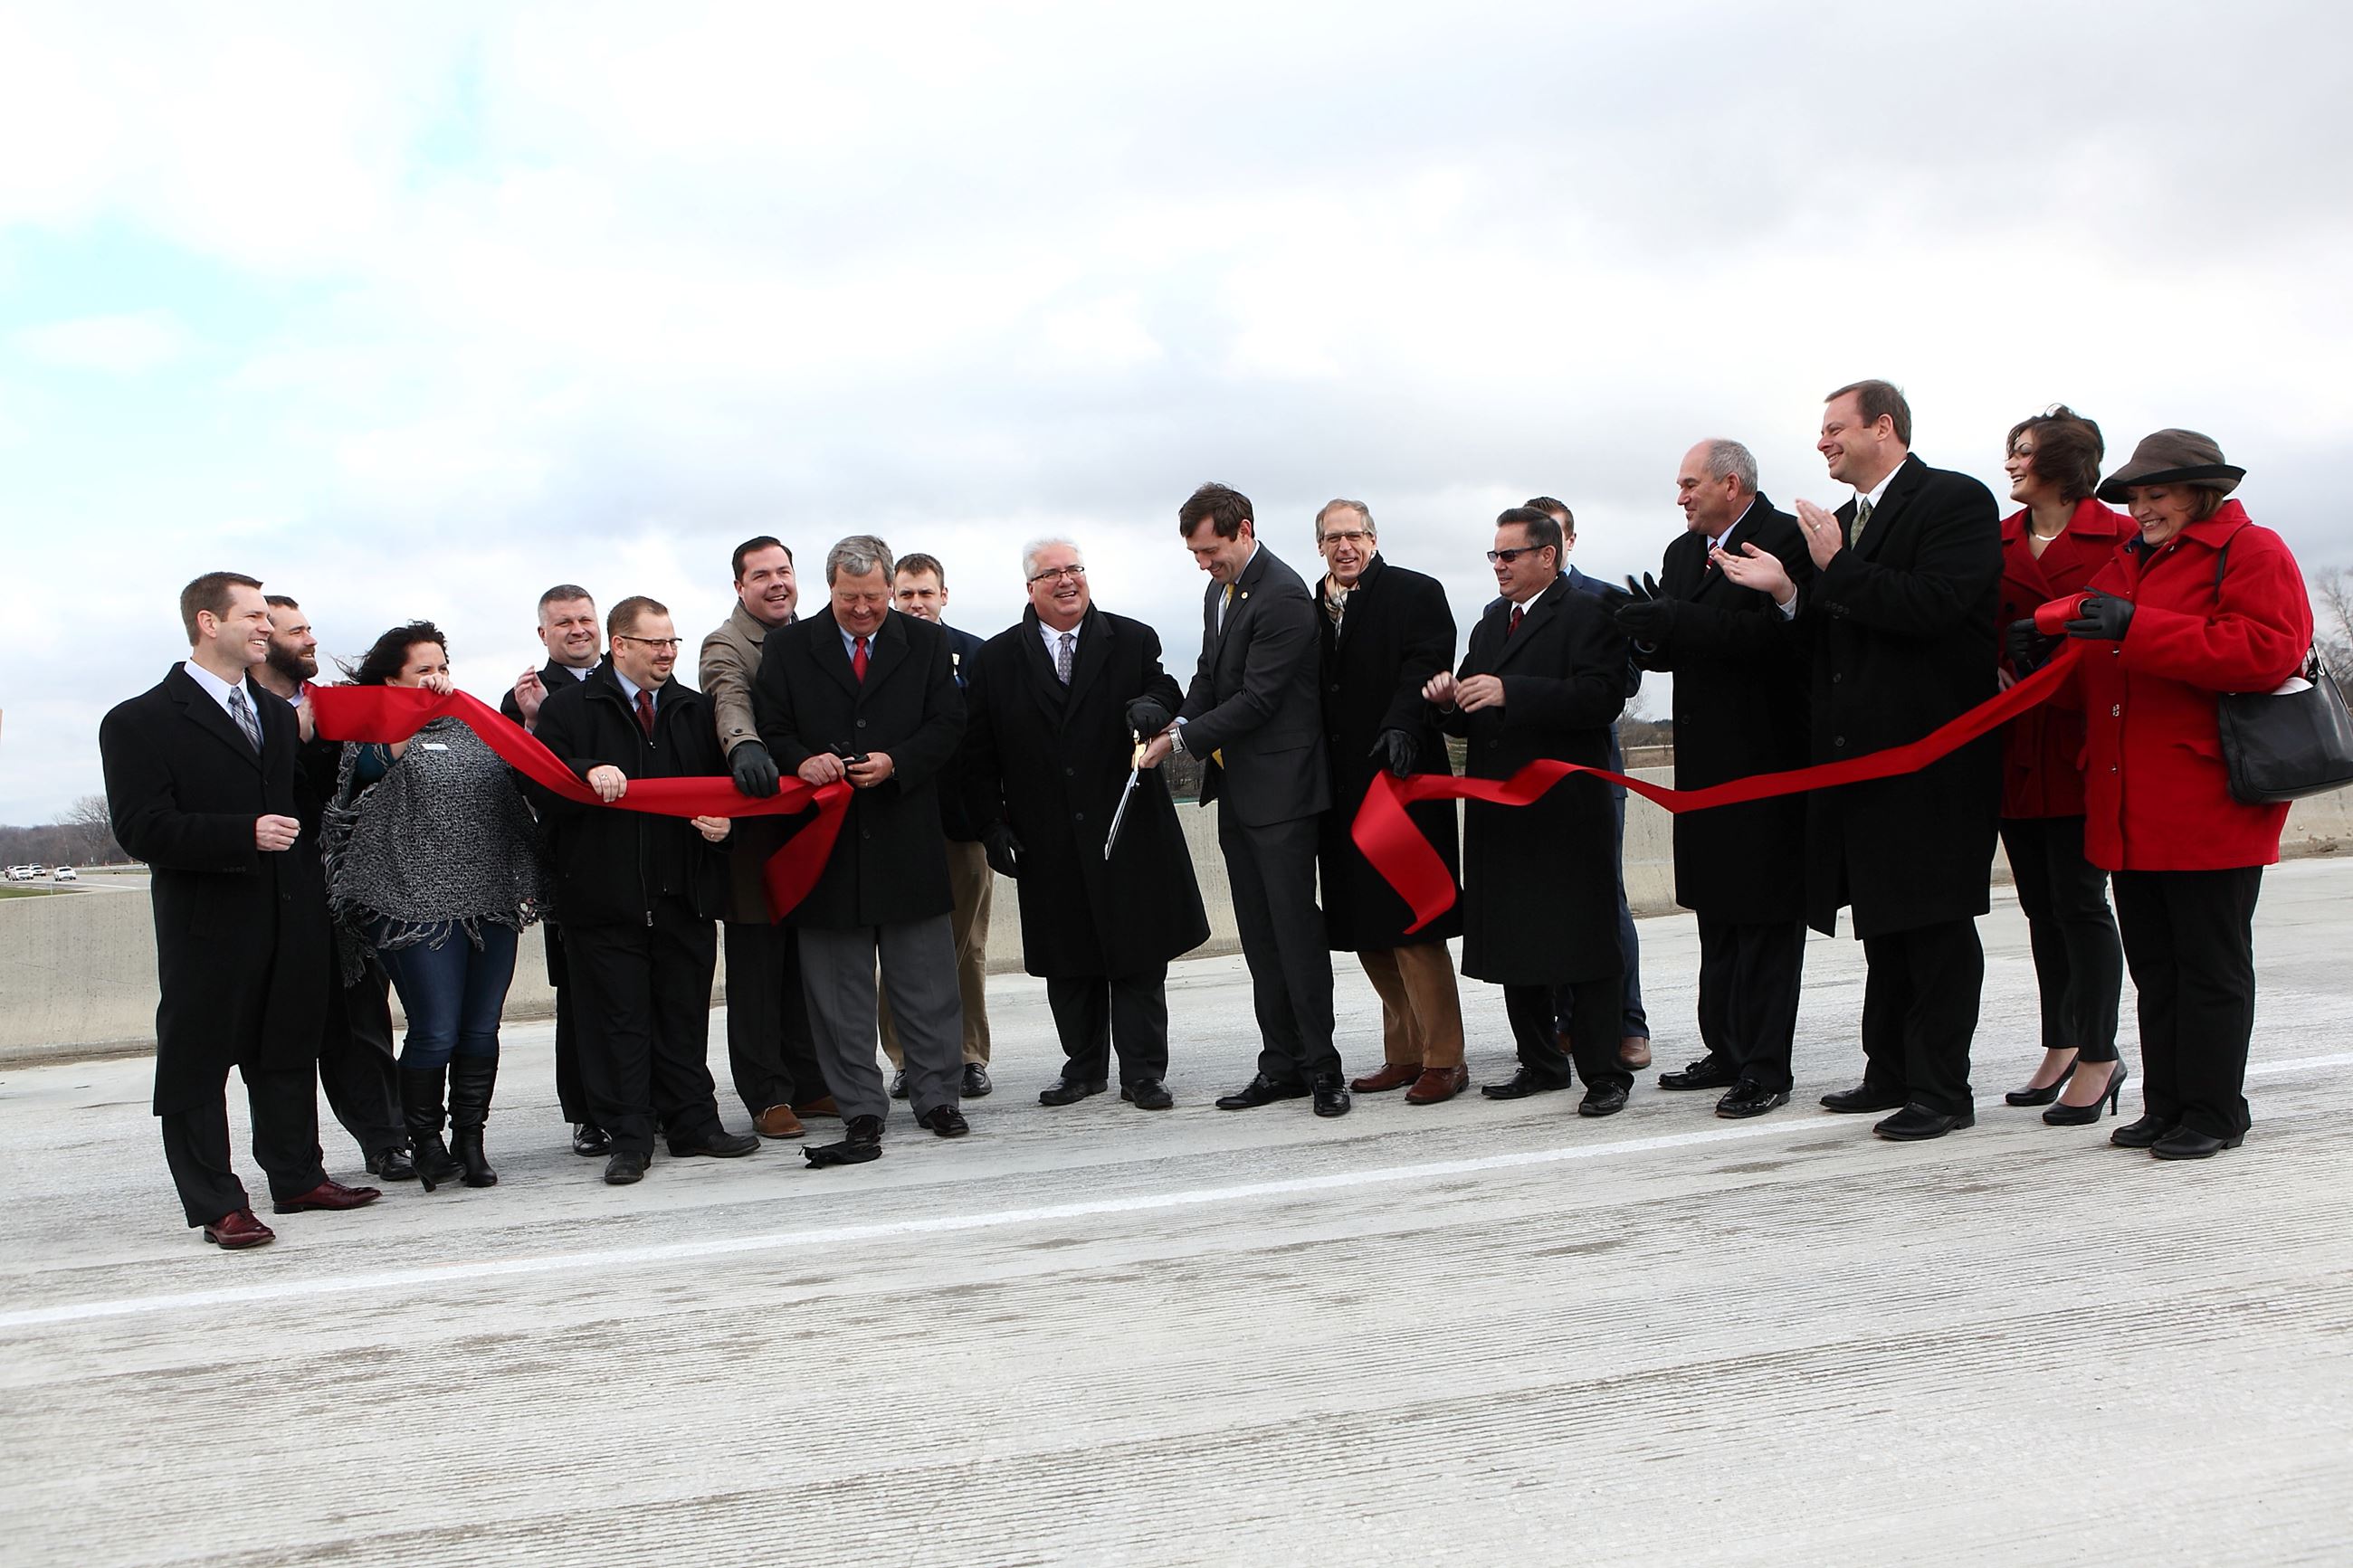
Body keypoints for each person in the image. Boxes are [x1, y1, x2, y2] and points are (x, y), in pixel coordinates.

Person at [1713, 379, 2004, 1141]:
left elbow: (1934, 607)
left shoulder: (1956, 502)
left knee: (1934, 926)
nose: (1822, 442)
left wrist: (1835, 570)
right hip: (1860, 765)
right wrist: (1786, 594)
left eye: (1835, 428)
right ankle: (1891, 1072)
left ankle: (1943, 1090)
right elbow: (1826, 641)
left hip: (1934, 761)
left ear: (1884, 427)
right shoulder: (1839, 525)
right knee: (1884, 922)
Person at [2016, 431, 2311, 1160]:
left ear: (2200, 493)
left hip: (2208, 798)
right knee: (2156, 964)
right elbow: (2100, 678)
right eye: (2136, 498)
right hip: (2129, 800)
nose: (2142, 509)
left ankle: (2215, 1110)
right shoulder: (2129, 562)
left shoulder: (2253, 550)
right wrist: (2043, 664)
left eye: (2157, 495)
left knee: (2209, 964)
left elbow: (2265, 650)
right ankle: (2167, 1103)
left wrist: (2136, 626)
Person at [99, 572, 380, 1248]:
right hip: (207, 923)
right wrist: (241, 833)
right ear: (207, 621)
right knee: (197, 1064)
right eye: (254, 616)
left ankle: (297, 1177)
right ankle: (216, 1202)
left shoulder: (279, 716)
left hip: (289, 914)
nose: (266, 627)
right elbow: (140, 829)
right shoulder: (139, 720)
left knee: (285, 1049)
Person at [962, 537, 1210, 1107]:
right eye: (1052, 574)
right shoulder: (996, 660)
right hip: (1045, 836)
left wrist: (1153, 706)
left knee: (1137, 958)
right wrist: (992, 828)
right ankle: (1083, 1067)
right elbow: (978, 758)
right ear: (1030, 588)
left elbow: (1163, 686)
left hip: (1126, 829)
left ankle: (1144, 1072)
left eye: (1075, 569)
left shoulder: (1131, 638)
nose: (1067, 580)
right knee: (1068, 961)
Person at [527, 595, 758, 1184]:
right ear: (620, 645)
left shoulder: (691, 709)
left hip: (683, 894)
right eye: (655, 643)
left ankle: (694, 1124)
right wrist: (582, 771)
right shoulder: (571, 709)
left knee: (684, 1016)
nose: (667, 653)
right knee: (619, 1024)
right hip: (605, 902)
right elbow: (538, 782)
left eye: (673, 642)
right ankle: (629, 1137)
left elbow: (723, 790)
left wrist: (726, 827)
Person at [755, 536, 971, 1165]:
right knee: (838, 995)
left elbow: (949, 724)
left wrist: (897, 762)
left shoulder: (927, 642)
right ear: (830, 590)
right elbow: (772, 726)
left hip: (906, 838)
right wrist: (802, 759)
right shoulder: (790, 647)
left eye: (873, 598)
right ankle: (860, 1110)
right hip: (826, 848)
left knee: (928, 985)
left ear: (888, 588)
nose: (862, 610)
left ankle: (938, 1097)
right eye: (850, 599)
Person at [1612, 442, 1814, 1116]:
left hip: (1765, 763)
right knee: (1718, 916)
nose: (1681, 497)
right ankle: (1725, 1047)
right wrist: (1647, 637)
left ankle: (1765, 1066)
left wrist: (1679, 620)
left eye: (1690, 484)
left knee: (1764, 920)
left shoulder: (1783, 539)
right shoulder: (1681, 552)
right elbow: (1679, 644)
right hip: (1702, 765)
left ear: (1732, 483)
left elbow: (1775, 639)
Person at [1140, 482, 1346, 1117]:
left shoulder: (1281, 594)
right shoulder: (1221, 592)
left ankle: (1322, 1069)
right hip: (1240, 794)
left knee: (1294, 935)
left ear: (1245, 530)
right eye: (1197, 554)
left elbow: (1259, 699)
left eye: (1213, 550)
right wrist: (1174, 723)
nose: (1205, 563)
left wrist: (1179, 743)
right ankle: (1278, 1064)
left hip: (1284, 795)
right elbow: (1208, 677)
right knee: (1259, 938)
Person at [323, 622, 548, 1191]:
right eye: (423, 670)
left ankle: (470, 1141)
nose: (437, 678)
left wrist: (529, 724)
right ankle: (424, 1142)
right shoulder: (372, 729)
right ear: (392, 678)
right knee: (436, 1030)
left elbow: (523, 779)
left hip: (489, 897)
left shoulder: (474, 723)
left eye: (442, 667)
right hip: (409, 904)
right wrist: (409, 715)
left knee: (480, 1030)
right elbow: (367, 775)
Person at [1424, 508, 1634, 1116]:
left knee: (1585, 945)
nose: (1499, 566)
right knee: (1517, 941)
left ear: (1548, 554)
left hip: (1566, 810)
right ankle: (1541, 1063)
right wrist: (1446, 704)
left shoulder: (1594, 610)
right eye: (1493, 555)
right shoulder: (1493, 621)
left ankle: (1604, 1072)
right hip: (1501, 807)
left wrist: (1514, 691)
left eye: (1509, 555)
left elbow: (1602, 697)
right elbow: (1474, 702)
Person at [1990, 408, 2130, 1124]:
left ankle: (2102, 1053)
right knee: (2041, 904)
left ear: (2066, 462)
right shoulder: (2000, 539)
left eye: (2025, 451)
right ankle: (2061, 1040)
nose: (2011, 462)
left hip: (2084, 748)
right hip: (2020, 747)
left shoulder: (2122, 535)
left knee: (2080, 901)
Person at [1310, 500, 1470, 1105]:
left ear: (1373, 539)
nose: (1345, 545)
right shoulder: (1311, 606)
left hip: (1401, 780)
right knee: (1364, 926)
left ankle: (1445, 1058)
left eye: (1355, 535)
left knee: (1411, 923)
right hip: (1340, 790)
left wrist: (1404, 723)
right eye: (1333, 537)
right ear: (1321, 545)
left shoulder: (1414, 592)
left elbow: (1425, 665)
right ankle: (1403, 1051)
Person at [254, 594, 408, 1178]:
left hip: (341, 893)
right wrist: (286, 736)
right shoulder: (242, 715)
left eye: (310, 627)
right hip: (271, 895)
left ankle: (387, 1140)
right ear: (264, 642)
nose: (311, 639)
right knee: (283, 1039)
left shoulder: (338, 711)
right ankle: (296, 1164)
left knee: (361, 1023)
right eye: (297, 632)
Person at [699, 536, 835, 1140]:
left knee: (805, 968)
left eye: (784, 571)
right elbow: (729, 694)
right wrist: (744, 744)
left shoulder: (814, 637)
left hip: (810, 826)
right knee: (757, 969)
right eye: (762, 575)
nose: (777, 583)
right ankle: (766, 1093)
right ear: (739, 587)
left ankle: (809, 1082)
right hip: (755, 832)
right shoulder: (726, 643)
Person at [1528, 496, 1651, 1071]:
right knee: (1548, 903)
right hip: (1529, 782)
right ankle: (1566, 1022)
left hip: (1592, 776)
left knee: (1606, 902)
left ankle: (1627, 1024)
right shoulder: (1503, 608)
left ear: (1566, 544)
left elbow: (1619, 685)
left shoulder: (1603, 599)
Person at [881, 552, 994, 1099]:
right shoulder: (878, 655)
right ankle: (906, 1057)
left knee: (967, 945)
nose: (917, 603)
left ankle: (969, 1055)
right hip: (897, 823)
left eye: (926, 593)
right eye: (906, 594)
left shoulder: (975, 654)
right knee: (896, 945)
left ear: (943, 596)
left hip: (961, 823)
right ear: (891, 597)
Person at [500, 584, 607, 1157]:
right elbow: (521, 783)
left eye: (585, 618)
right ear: (543, 634)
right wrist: (538, 724)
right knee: (581, 1001)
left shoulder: (631, 681)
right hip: (571, 869)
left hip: (642, 868)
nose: (577, 629)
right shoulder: (523, 698)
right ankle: (587, 1112)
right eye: (563, 622)